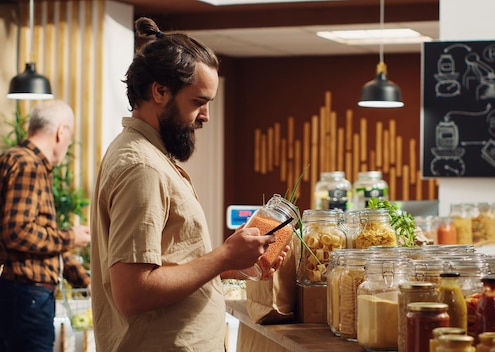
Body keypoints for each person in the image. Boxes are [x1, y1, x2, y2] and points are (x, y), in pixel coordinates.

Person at [90, 17, 287, 351]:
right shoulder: (142, 166)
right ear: (160, 91)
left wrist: (235, 266)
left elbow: (169, 267)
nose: (206, 116)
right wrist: (224, 256)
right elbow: (134, 292)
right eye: (199, 102)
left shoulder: (148, 156)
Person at [0, 100, 92, 352]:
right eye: (69, 138)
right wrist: (69, 237)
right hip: (27, 298)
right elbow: (17, 232)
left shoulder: (17, 160)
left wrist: (84, 280)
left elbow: (38, 240)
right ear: (61, 132)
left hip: (21, 296)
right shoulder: (29, 165)